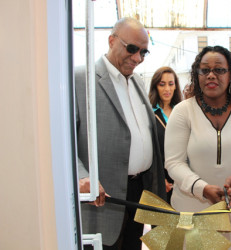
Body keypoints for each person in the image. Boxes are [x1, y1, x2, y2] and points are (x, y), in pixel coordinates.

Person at [75, 17, 166, 249]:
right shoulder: (79, 79)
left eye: (144, 52)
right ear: (111, 40)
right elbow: (61, 142)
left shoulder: (136, 82)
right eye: (132, 49)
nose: (137, 58)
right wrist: (82, 176)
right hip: (102, 200)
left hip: (137, 195)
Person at [164, 45, 231, 250]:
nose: (211, 75)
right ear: (197, 75)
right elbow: (173, 162)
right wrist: (202, 188)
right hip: (191, 208)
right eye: (204, 70)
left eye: (219, 70)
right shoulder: (183, 111)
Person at [148, 66, 182, 203]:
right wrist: (159, 179)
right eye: (162, 84)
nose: (167, 89)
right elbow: (149, 151)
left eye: (171, 84)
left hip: (182, 180)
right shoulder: (149, 113)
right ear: (155, 86)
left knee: (183, 222)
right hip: (160, 179)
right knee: (162, 222)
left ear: (175, 87)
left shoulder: (182, 112)